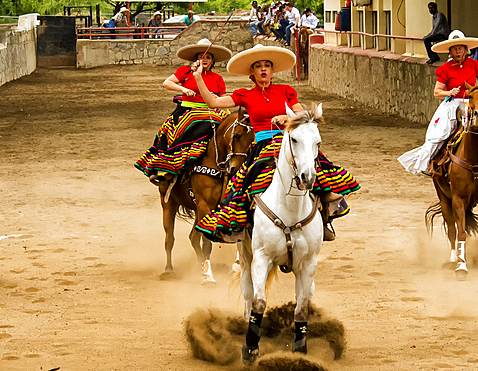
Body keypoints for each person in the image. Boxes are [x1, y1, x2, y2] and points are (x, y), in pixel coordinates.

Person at [191, 44, 360, 243]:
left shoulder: (286, 91)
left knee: (316, 163)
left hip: (289, 141)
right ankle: (242, 224)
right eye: (259, 66)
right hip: (262, 145)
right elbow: (213, 102)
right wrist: (198, 78)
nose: (263, 69)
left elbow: (303, 115)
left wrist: (287, 118)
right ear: (252, 72)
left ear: (272, 70)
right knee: (243, 183)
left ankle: (323, 217)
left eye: (267, 65)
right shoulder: (245, 95)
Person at [398, 31, 478, 175]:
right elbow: (437, 92)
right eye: (454, 49)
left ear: (466, 50)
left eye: (460, 48)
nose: (457, 51)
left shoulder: (476, 65)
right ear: (450, 52)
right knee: (440, 133)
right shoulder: (445, 69)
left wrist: (474, 93)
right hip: (453, 104)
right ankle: (429, 163)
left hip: (473, 103)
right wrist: (449, 92)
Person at [136, 39, 231, 185]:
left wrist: (217, 98)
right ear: (196, 59)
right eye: (201, 56)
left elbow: (223, 98)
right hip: (188, 109)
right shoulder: (185, 71)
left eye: (208, 57)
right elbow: (166, 83)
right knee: (170, 127)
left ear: (213, 61)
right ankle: (168, 165)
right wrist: (183, 89)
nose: (204, 59)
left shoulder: (218, 78)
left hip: (211, 110)